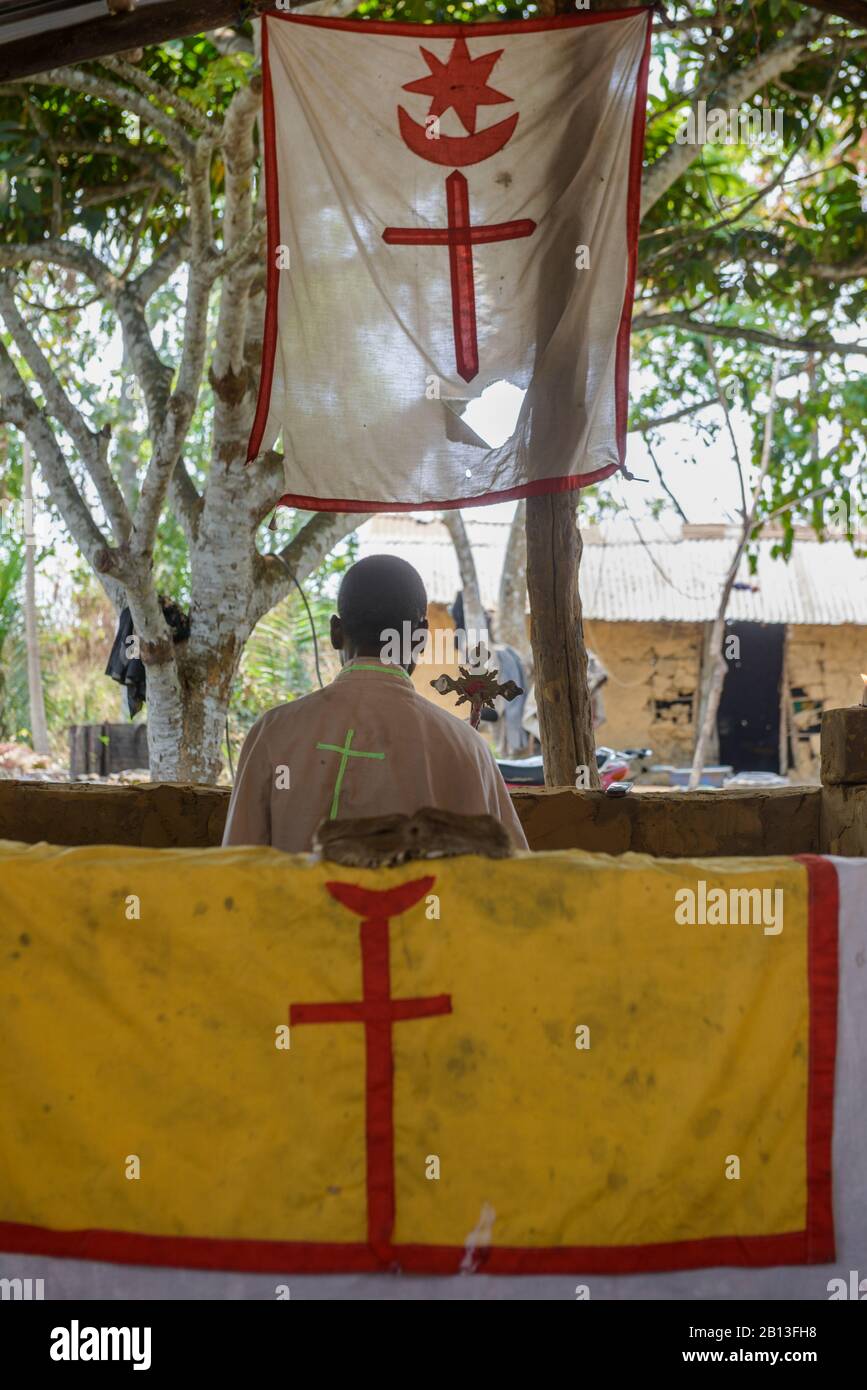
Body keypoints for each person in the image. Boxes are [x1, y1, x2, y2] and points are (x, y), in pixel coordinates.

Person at [222, 554, 528, 853]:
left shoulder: (273, 733)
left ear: (336, 632)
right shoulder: (467, 748)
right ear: (420, 638)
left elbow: (236, 865)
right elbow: (514, 871)